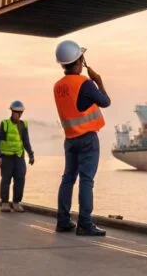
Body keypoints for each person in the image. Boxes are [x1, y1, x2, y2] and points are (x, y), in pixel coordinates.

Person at [52, 40, 110, 236]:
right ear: (79, 61)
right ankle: (85, 224)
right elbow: (106, 102)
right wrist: (98, 81)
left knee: (68, 178)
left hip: (70, 140)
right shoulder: (84, 83)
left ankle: (63, 221)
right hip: (87, 139)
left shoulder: (58, 86)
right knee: (86, 180)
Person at [0, 100, 34, 213]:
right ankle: (5, 202)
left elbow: (26, 142)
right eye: (16, 112)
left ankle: (16, 202)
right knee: (6, 179)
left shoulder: (23, 125)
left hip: (19, 157)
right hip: (6, 157)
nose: (18, 114)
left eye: (20, 112)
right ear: (12, 112)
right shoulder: (5, 124)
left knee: (20, 179)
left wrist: (31, 155)